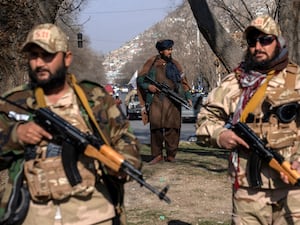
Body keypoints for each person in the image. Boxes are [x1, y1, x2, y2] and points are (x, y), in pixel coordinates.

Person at [0, 23, 142, 225]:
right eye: (33, 55)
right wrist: (15, 135)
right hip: (33, 216)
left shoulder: (95, 99)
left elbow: (125, 139)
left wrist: (122, 163)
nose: (39, 63)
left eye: (47, 55)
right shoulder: (14, 103)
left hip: (95, 214)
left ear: (67, 58)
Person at [196, 15, 300, 225]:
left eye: (265, 40)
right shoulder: (234, 82)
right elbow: (204, 120)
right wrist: (220, 135)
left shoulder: (296, 79)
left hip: (293, 188)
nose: (258, 47)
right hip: (248, 192)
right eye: (252, 42)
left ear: (278, 42)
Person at [137, 39, 192, 164]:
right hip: (156, 100)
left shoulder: (176, 64)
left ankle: (171, 155)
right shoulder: (151, 63)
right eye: (168, 49)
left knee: (173, 129)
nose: (170, 52)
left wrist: (188, 97)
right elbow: (140, 80)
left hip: (173, 101)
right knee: (156, 128)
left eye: (171, 49)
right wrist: (148, 87)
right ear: (161, 51)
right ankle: (157, 155)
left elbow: (184, 83)